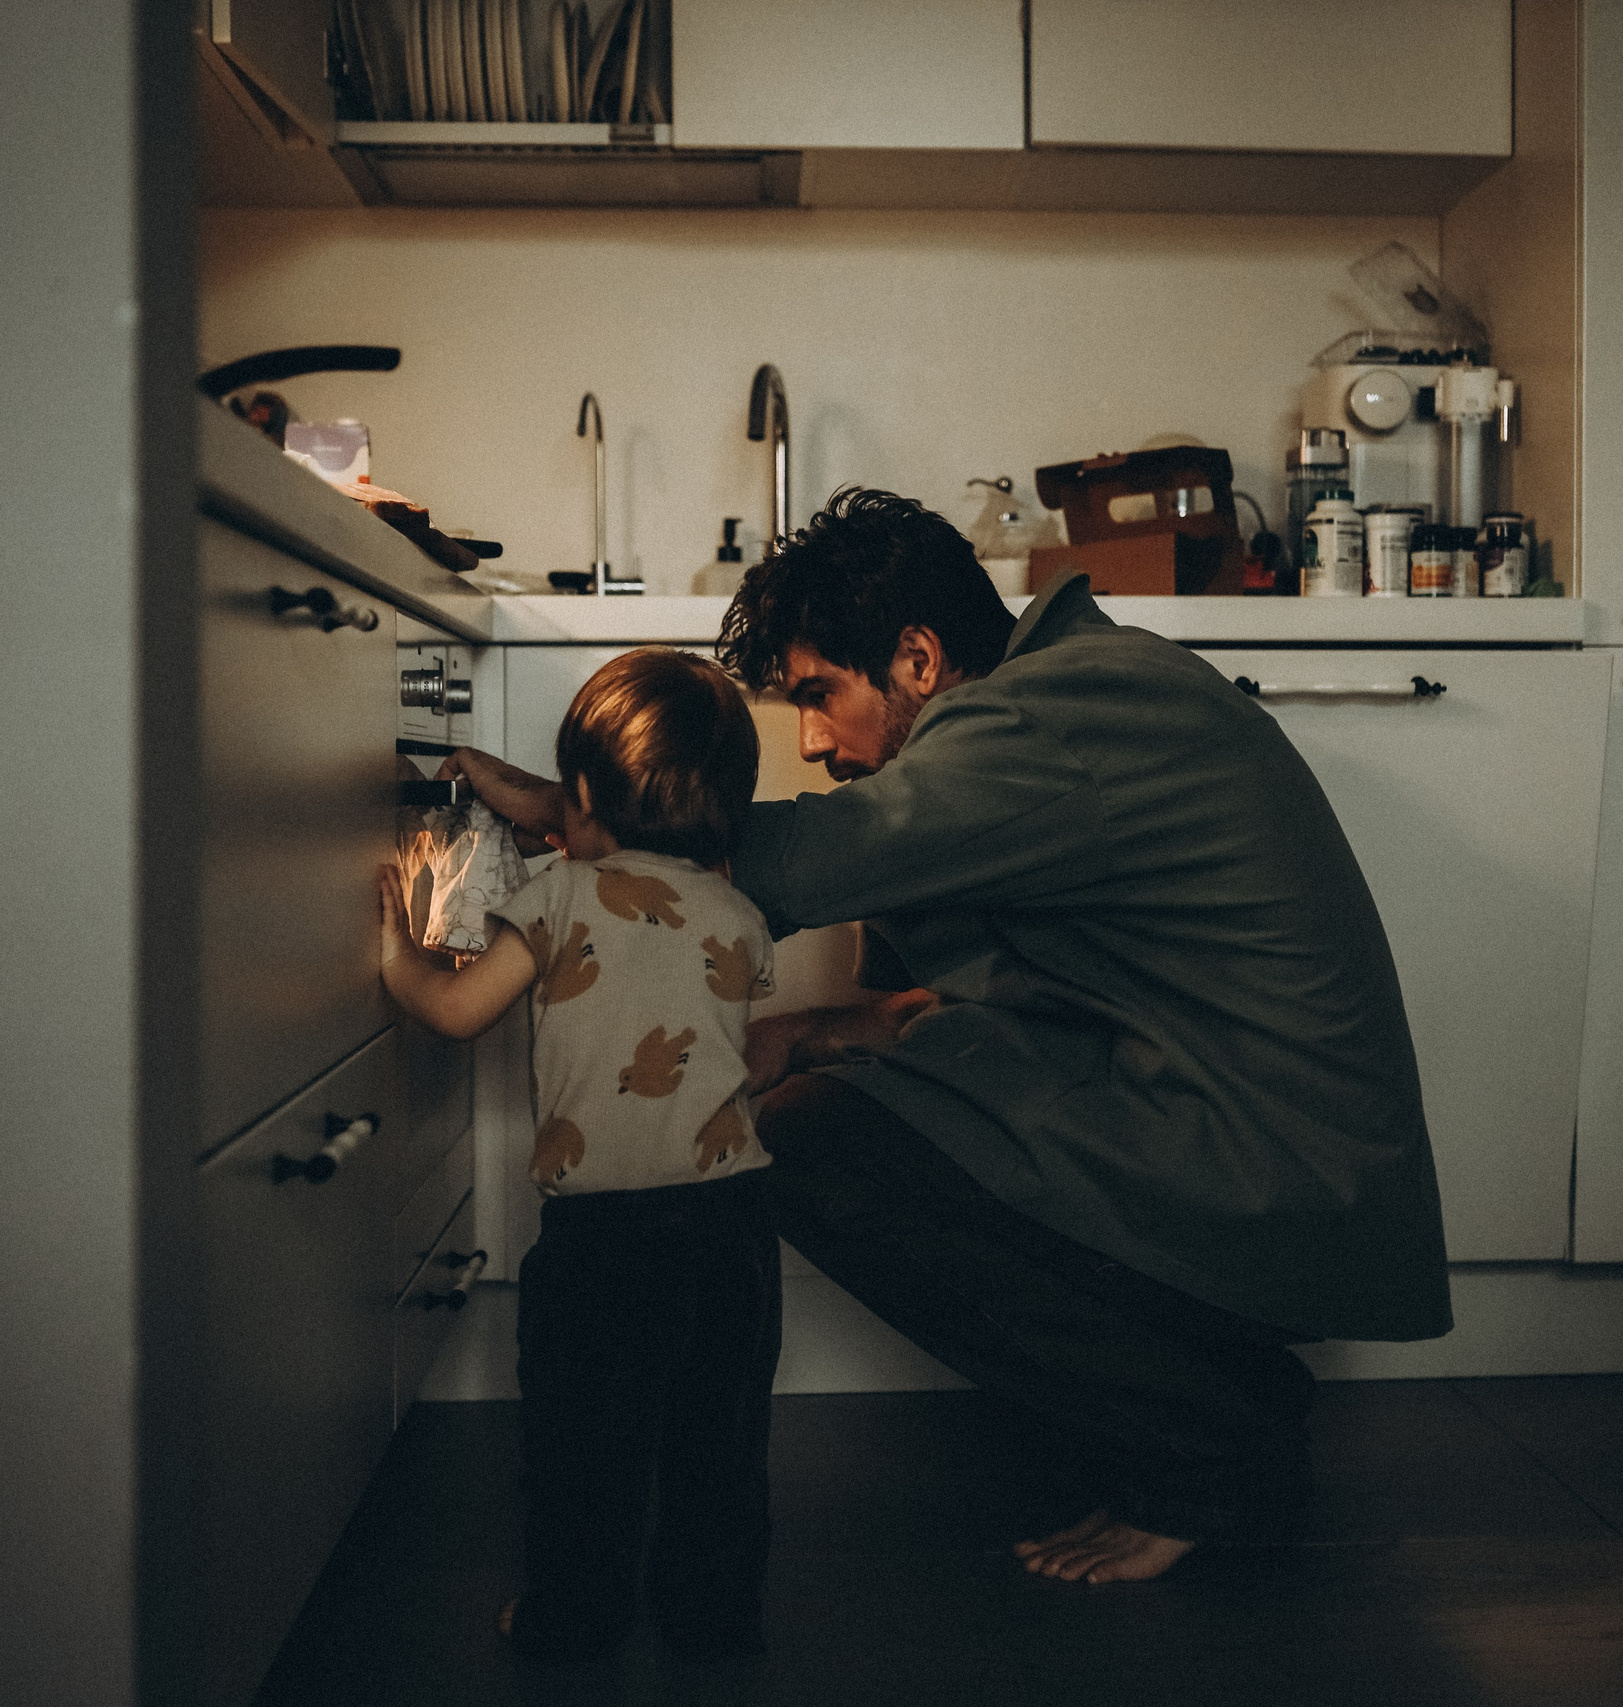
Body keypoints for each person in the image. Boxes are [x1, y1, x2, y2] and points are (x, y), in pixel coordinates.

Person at [448, 487, 1452, 1589]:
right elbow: (979, 987)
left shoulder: (1043, 717)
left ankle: (1217, 1462)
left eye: (820, 695)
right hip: (1227, 1119)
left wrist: (569, 806)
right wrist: (824, 1030)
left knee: (811, 1144)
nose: (818, 743)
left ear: (918, 659)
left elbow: (776, 865)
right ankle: (1223, 1387)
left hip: (1271, 1168)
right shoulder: (1075, 691)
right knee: (830, 1087)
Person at [381, 647, 780, 1663]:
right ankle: (713, 1623)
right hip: (736, 1228)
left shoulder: (560, 895)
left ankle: (573, 1622)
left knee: (584, 1452)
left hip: (605, 1241)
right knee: (718, 1448)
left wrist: (398, 947)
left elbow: (456, 1011)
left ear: (583, 797)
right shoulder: (740, 915)